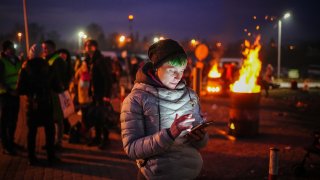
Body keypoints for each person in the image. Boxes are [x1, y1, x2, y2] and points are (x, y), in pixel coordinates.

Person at [120, 39, 208, 179]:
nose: (178, 76)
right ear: (156, 68)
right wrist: (169, 134)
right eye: (172, 70)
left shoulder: (190, 95)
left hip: (193, 174)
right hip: (155, 175)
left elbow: (201, 144)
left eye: (182, 70)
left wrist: (200, 136)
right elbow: (131, 148)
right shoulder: (135, 100)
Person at [17, 44, 58, 165]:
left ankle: (32, 157)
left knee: (32, 132)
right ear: (42, 54)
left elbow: (20, 89)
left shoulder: (25, 69)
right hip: (46, 103)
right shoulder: (49, 68)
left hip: (32, 104)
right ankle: (51, 156)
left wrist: (31, 92)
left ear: (30, 54)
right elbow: (56, 86)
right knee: (50, 130)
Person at [84, 39, 113, 148]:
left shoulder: (100, 60)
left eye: (89, 46)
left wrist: (106, 95)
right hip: (95, 94)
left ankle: (105, 140)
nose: (86, 48)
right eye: (85, 46)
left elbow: (108, 78)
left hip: (101, 93)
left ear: (94, 47)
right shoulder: (90, 60)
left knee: (103, 117)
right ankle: (97, 138)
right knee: (96, 116)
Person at [42, 40, 67, 150]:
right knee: (50, 118)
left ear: (53, 48)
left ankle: (58, 141)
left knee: (58, 118)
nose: (44, 50)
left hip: (56, 93)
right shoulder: (45, 59)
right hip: (48, 93)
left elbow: (63, 76)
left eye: (46, 48)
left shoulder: (57, 60)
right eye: (43, 48)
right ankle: (51, 141)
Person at [0, 40, 22, 155]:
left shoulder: (17, 60)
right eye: (9, 48)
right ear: (4, 50)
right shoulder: (1, 62)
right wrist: (9, 90)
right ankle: (5, 145)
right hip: (5, 95)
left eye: (12, 47)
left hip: (15, 94)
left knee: (14, 120)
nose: (12, 49)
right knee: (4, 121)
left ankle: (11, 141)